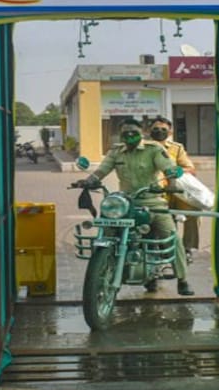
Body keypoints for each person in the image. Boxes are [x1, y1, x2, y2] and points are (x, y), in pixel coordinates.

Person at [79, 118, 193, 296]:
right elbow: (102, 170)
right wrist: (88, 181)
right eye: (126, 133)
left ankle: (183, 279)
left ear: (141, 134)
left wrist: (171, 182)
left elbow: (168, 167)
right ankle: (103, 268)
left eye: (133, 132)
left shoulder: (153, 149)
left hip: (152, 201)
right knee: (107, 231)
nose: (130, 135)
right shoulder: (116, 152)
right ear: (121, 135)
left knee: (172, 238)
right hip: (125, 203)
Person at [148, 116, 200, 262]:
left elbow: (190, 168)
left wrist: (174, 171)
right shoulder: (143, 147)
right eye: (156, 129)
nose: (159, 131)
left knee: (193, 210)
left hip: (175, 190)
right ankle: (158, 246)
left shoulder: (176, 148)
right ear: (148, 131)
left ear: (170, 131)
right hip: (154, 191)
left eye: (163, 129)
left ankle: (187, 248)